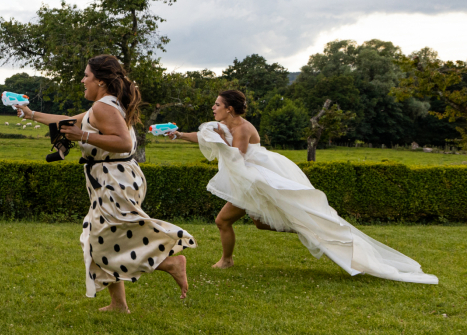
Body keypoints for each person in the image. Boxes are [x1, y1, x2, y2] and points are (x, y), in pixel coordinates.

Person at [169, 90, 437, 284]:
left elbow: (236, 154)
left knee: (223, 220)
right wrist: (180, 134)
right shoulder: (223, 124)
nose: (213, 108)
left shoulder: (241, 127)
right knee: (255, 223)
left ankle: (292, 229)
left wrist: (217, 139)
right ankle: (241, 253)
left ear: (229, 108)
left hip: (257, 178)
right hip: (247, 180)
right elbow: (207, 136)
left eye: (217, 104)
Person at [16, 55, 197, 312]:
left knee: (107, 236)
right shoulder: (104, 105)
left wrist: (83, 136)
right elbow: (69, 121)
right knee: (98, 237)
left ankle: (170, 264)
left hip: (115, 178)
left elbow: (124, 142)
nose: (82, 80)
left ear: (100, 81)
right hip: (111, 177)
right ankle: (118, 303)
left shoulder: (103, 107)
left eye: (86, 76)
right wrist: (31, 114)